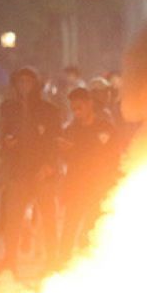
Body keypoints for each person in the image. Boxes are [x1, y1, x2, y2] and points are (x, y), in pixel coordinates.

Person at [0, 66, 61, 273]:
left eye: (28, 81)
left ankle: (52, 262)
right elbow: (3, 134)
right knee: (12, 220)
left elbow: (55, 142)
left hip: (43, 172)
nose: (24, 86)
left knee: (48, 219)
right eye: (20, 82)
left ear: (36, 84)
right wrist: (8, 143)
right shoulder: (9, 108)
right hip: (19, 171)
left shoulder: (49, 110)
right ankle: (10, 262)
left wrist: (49, 166)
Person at [59, 87, 119, 261]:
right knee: (69, 227)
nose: (76, 112)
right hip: (76, 185)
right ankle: (63, 263)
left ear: (89, 104)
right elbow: (67, 158)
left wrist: (76, 149)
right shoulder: (71, 129)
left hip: (98, 186)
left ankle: (91, 261)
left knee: (93, 228)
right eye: (73, 109)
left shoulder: (104, 127)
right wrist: (65, 151)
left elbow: (110, 154)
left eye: (80, 108)